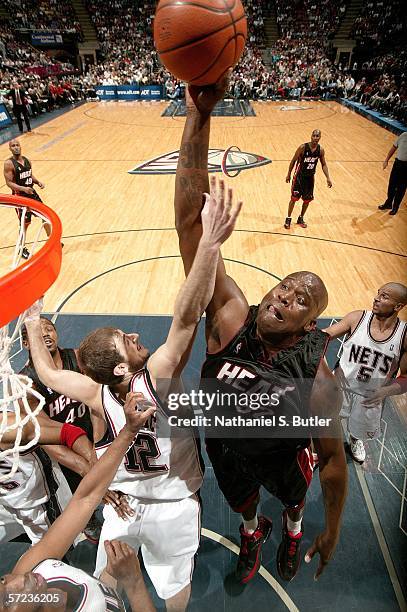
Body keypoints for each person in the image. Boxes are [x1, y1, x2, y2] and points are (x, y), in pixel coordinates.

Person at [24, 184, 241, 612]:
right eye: (127, 339)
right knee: (173, 584)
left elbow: (48, 371)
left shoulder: (93, 392)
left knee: (107, 578)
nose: (136, 335)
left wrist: (33, 322)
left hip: (120, 503)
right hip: (173, 506)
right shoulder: (158, 376)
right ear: (122, 368)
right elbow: (186, 313)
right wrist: (210, 244)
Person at [174, 74, 347, 584]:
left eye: (299, 301)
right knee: (244, 503)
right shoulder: (230, 315)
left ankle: (292, 531)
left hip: (283, 458)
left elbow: (333, 465)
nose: (283, 298)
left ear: (308, 324)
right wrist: (197, 117)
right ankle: (254, 533)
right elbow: (190, 221)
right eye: (283, 288)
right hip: (226, 446)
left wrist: (330, 530)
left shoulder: (318, 383)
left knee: (292, 500)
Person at [0, 392, 156, 612]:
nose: (16, 580)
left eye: (2, 582)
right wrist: (135, 584)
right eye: (9, 600)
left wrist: (129, 430)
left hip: (31, 500)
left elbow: (86, 498)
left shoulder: (32, 567)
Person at [20, 316, 102, 544]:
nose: (46, 334)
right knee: (79, 488)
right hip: (58, 449)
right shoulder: (26, 382)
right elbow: (46, 438)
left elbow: (97, 401)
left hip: (87, 432)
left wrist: (97, 441)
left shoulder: (76, 358)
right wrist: (85, 466)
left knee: (104, 472)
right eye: (39, 332)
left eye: (50, 329)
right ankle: (89, 523)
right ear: (27, 344)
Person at [323, 283, 407, 463]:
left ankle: (355, 440)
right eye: (378, 293)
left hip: (370, 397)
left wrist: (385, 392)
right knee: (327, 424)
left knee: (358, 431)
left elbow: (406, 377)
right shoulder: (358, 318)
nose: (376, 298)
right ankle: (321, 447)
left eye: (384, 296)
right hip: (341, 387)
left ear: (398, 306)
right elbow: (325, 335)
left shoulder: (403, 335)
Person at [0, 405, 94, 545]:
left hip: (37, 501)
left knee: (51, 550)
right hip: (5, 501)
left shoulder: (10, 426)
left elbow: (69, 433)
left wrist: (95, 472)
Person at [4, 139, 50, 260]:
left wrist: (37, 181)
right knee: (25, 223)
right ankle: (21, 248)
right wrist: (23, 189)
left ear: (20, 146)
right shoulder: (9, 164)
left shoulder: (27, 160)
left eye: (17, 145)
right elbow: (9, 183)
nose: (16, 147)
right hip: (20, 196)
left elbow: (29, 175)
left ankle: (51, 240)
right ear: (10, 148)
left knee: (45, 216)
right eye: (13, 146)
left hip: (31, 192)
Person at [284, 129, 332, 229]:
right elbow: (293, 160)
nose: (315, 138)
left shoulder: (321, 150)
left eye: (317, 136)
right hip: (299, 177)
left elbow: (323, 164)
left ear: (320, 137)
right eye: (314, 135)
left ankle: (300, 218)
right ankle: (288, 218)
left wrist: (328, 177)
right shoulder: (303, 147)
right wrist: (288, 173)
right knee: (294, 198)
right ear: (311, 136)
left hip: (310, 178)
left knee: (307, 200)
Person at [378, 131, 407, 216]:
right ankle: (388, 203)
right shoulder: (403, 135)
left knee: (401, 188)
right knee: (392, 185)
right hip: (397, 164)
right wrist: (386, 160)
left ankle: (395, 207)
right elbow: (394, 147)